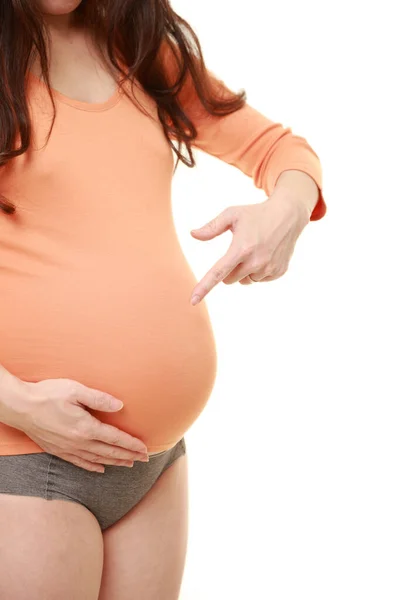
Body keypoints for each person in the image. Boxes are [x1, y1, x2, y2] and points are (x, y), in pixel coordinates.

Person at [0, 1, 327, 598]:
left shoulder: (140, 49)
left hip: (152, 468)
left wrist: (284, 213)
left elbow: (282, 151)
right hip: (23, 460)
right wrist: (17, 403)